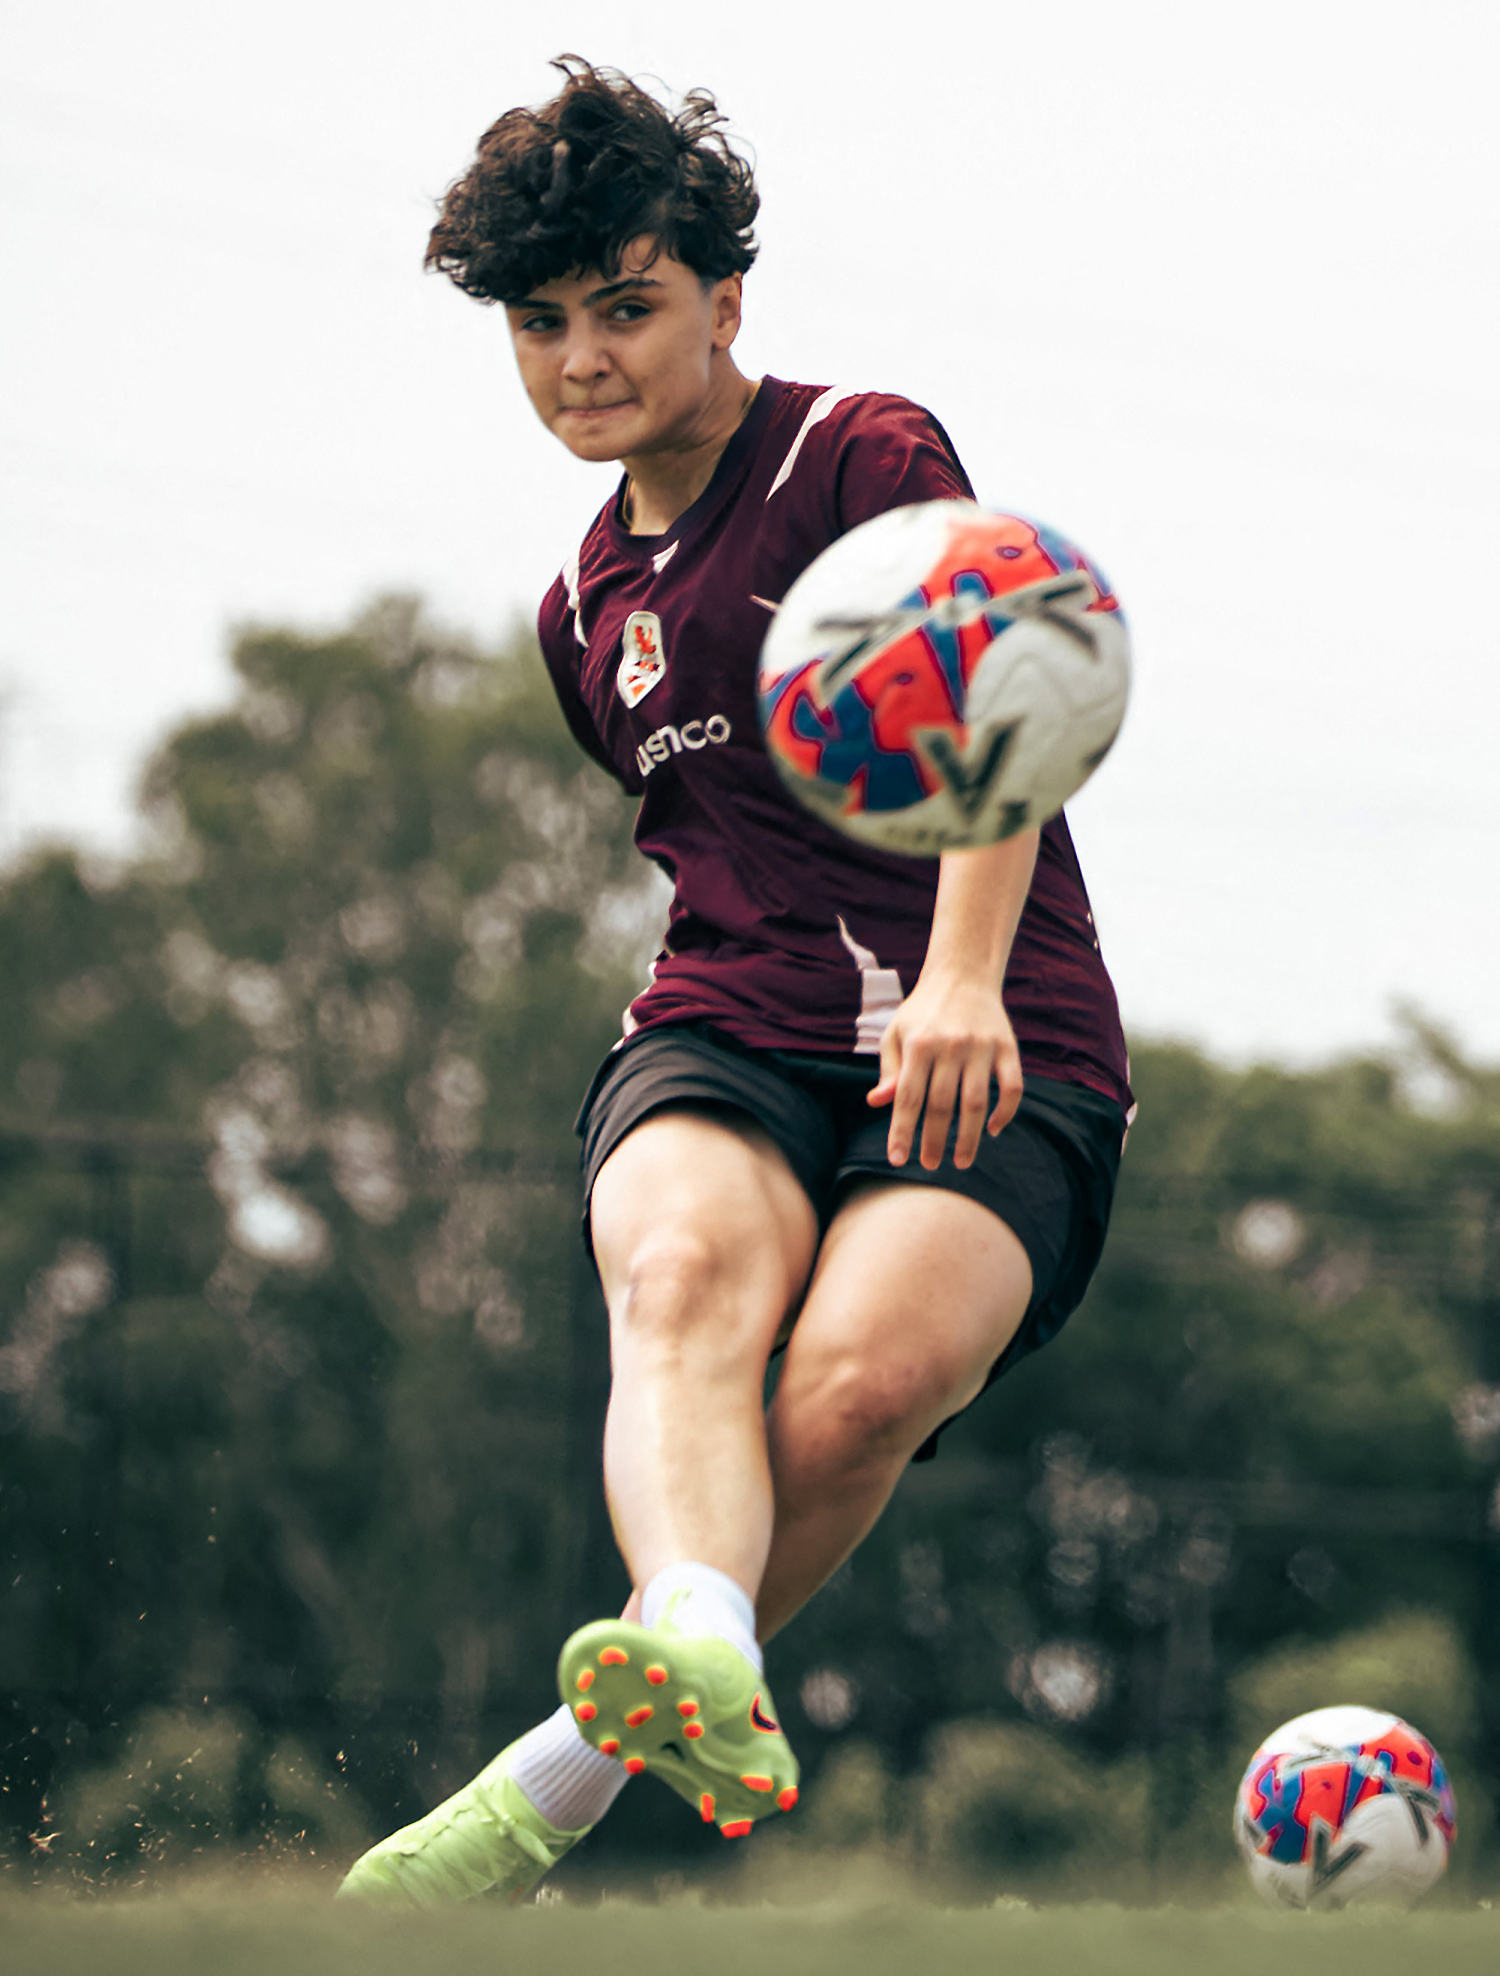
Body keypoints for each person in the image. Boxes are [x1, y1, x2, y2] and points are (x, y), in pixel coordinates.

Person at [338, 56, 1132, 1906]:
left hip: (995, 1024)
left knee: (856, 1391)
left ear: (722, 299)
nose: (582, 358)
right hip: (728, 1022)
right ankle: (695, 1625)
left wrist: (957, 979)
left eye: (625, 305)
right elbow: (717, 856)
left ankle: (554, 1780)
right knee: (682, 1273)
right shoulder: (580, 617)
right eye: (540, 325)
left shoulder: (860, 454)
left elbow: (995, 683)